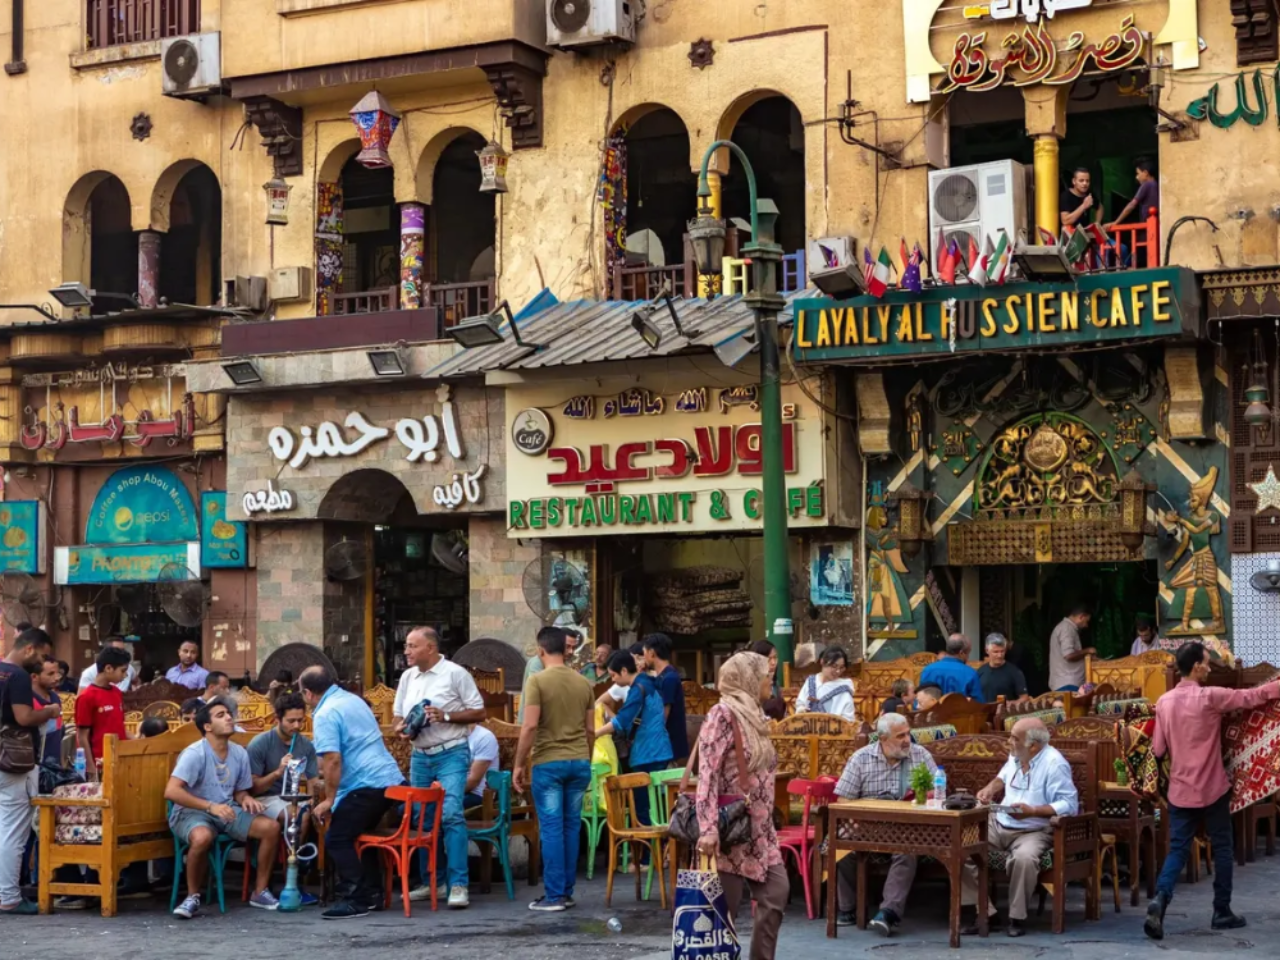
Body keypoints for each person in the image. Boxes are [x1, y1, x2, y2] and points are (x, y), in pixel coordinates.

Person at [1144, 643, 1280, 940]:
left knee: (1178, 849)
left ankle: (1161, 899)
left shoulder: (1164, 703)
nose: (1209, 667)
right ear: (1195, 666)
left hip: (1180, 790)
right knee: (1223, 848)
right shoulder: (1211, 697)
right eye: (1207, 662)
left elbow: (1158, 749)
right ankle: (1221, 911)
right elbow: (1252, 697)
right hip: (1213, 788)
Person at [695, 652, 788, 959]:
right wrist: (708, 829)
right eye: (765, 676)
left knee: (776, 893)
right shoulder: (722, 715)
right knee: (722, 916)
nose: (770, 681)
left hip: (760, 829)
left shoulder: (756, 716)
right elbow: (707, 774)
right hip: (728, 830)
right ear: (748, 679)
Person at [391, 626, 485, 908]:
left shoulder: (456, 673)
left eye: (411, 646)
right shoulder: (407, 676)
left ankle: (458, 884)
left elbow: (479, 711)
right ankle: (433, 881)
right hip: (420, 754)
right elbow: (398, 715)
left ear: (430, 648)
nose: (406, 651)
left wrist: (445, 715)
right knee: (422, 817)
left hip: (452, 752)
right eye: (406, 645)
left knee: (452, 814)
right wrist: (403, 728)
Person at [302, 666, 405, 921]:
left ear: (307, 693)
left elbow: (333, 760)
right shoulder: (353, 700)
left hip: (366, 784)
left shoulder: (325, 712)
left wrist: (329, 799)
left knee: (337, 838)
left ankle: (356, 899)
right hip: (388, 779)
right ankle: (372, 894)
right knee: (359, 834)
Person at [961, 717, 1078, 937]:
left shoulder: (1055, 763)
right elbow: (1002, 777)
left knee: (1024, 859)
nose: (1009, 742)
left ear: (1033, 746)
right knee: (963, 848)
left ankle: (1016, 918)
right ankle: (985, 912)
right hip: (1000, 822)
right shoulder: (1017, 755)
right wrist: (989, 789)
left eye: (1014, 738)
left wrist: (1032, 811)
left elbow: (1069, 804)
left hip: (1033, 829)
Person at [165, 698, 281, 917]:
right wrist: (210, 806)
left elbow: (240, 791)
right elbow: (171, 791)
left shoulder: (239, 753)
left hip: (226, 809)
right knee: (202, 838)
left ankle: (260, 892)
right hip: (190, 812)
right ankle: (192, 897)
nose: (229, 718)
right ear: (207, 727)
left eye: (228, 713)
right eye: (220, 715)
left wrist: (245, 798)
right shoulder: (195, 753)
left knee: (271, 828)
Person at [513, 626, 594, 913]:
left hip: (549, 762)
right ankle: (566, 891)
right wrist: (587, 758)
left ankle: (555, 894)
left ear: (541, 650)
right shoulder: (584, 683)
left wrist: (519, 763)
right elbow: (590, 729)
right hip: (580, 762)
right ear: (566, 648)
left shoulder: (537, 681)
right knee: (571, 826)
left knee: (551, 828)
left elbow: (530, 725)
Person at [832, 712, 937, 933]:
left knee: (907, 850)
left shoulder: (920, 755)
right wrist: (862, 813)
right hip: (867, 825)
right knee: (841, 842)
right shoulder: (861, 758)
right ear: (882, 738)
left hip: (906, 826)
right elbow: (843, 797)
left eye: (908, 734)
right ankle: (847, 907)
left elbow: (936, 793)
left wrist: (923, 797)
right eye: (900, 736)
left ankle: (888, 912)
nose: (907, 740)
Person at [0, 629, 57, 916]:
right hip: (14, 763)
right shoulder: (19, 676)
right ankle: (9, 897)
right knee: (12, 832)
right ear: (30, 649)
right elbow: (24, 717)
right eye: (43, 655)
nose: (44, 661)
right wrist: (48, 712)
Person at [246, 692, 321, 907]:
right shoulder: (260, 743)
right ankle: (292, 882)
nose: (297, 725)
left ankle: (306, 876)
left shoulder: (305, 745)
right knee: (299, 816)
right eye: (291, 721)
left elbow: (314, 780)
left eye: (300, 720)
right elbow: (252, 787)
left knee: (318, 815)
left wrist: (324, 801)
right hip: (266, 798)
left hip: (295, 797)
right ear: (276, 719)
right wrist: (278, 772)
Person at [594, 649, 671, 835]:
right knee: (658, 805)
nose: (612, 680)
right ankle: (661, 853)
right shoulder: (650, 681)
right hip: (661, 749)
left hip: (647, 752)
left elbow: (622, 721)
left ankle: (647, 858)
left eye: (613, 675)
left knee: (643, 805)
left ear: (623, 671)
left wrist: (595, 734)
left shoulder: (638, 689)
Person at [75, 645, 132, 781]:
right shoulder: (87, 697)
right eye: (122, 671)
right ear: (108, 668)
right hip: (100, 762)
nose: (125, 676)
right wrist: (91, 767)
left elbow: (120, 726)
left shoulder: (117, 692)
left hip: (121, 758)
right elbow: (82, 736)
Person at [643, 632, 689, 764]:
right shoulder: (662, 676)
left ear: (652, 653)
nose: (643, 657)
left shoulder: (669, 678)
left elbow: (662, 715)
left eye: (644, 652)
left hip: (668, 747)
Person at [518, 628, 579, 724]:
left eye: (574, 648)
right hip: (535, 722)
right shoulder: (537, 662)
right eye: (567, 646)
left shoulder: (565, 663)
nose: (571, 651)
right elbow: (540, 691)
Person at [794, 646, 857, 721]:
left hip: (834, 730)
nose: (838, 671)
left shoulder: (844, 688)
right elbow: (800, 703)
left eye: (841, 667)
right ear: (822, 662)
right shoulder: (811, 681)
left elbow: (848, 720)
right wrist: (801, 710)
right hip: (808, 728)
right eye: (834, 666)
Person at [919, 634, 984, 701]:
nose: (968, 657)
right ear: (961, 653)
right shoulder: (970, 673)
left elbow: (919, 701)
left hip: (933, 711)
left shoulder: (928, 670)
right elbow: (978, 705)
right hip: (960, 711)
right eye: (968, 653)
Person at [1048, 606, 1095, 693]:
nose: (1086, 625)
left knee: (1094, 688)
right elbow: (1068, 655)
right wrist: (1087, 651)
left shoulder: (1068, 628)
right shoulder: (1067, 629)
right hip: (1067, 684)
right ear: (1081, 617)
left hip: (1071, 683)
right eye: (1086, 621)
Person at [1106, 159, 1159, 230]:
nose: (1136, 177)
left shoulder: (1147, 184)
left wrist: (1116, 222)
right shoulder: (1157, 185)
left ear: (1145, 173)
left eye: (1138, 173)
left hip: (1148, 229)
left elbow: (1132, 205)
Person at [977, 633, 1029, 703]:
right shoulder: (980, 672)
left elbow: (1024, 698)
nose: (999, 655)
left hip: (1005, 713)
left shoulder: (1015, 672)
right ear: (987, 650)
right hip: (983, 712)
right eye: (995, 652)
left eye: (1002, 651)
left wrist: (1009, 704)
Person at [31, 657, 65, 766]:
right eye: (50, 674)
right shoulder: (28, 701)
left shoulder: (55, 697)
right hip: (35, 765)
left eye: (57, 673)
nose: (56, 678)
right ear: (35, 677)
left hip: (55, 764)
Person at [464, 723, 500, 810]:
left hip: (477, 795)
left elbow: (473, 781)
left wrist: (443, 792)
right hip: (452, 789)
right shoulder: (448, 736)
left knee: (434, 807)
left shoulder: (484, 737)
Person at [748, 640, 787, 721]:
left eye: (775, 658)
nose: (773, 663)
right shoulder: (751, 685)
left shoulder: (775, 683)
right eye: (769, 659)